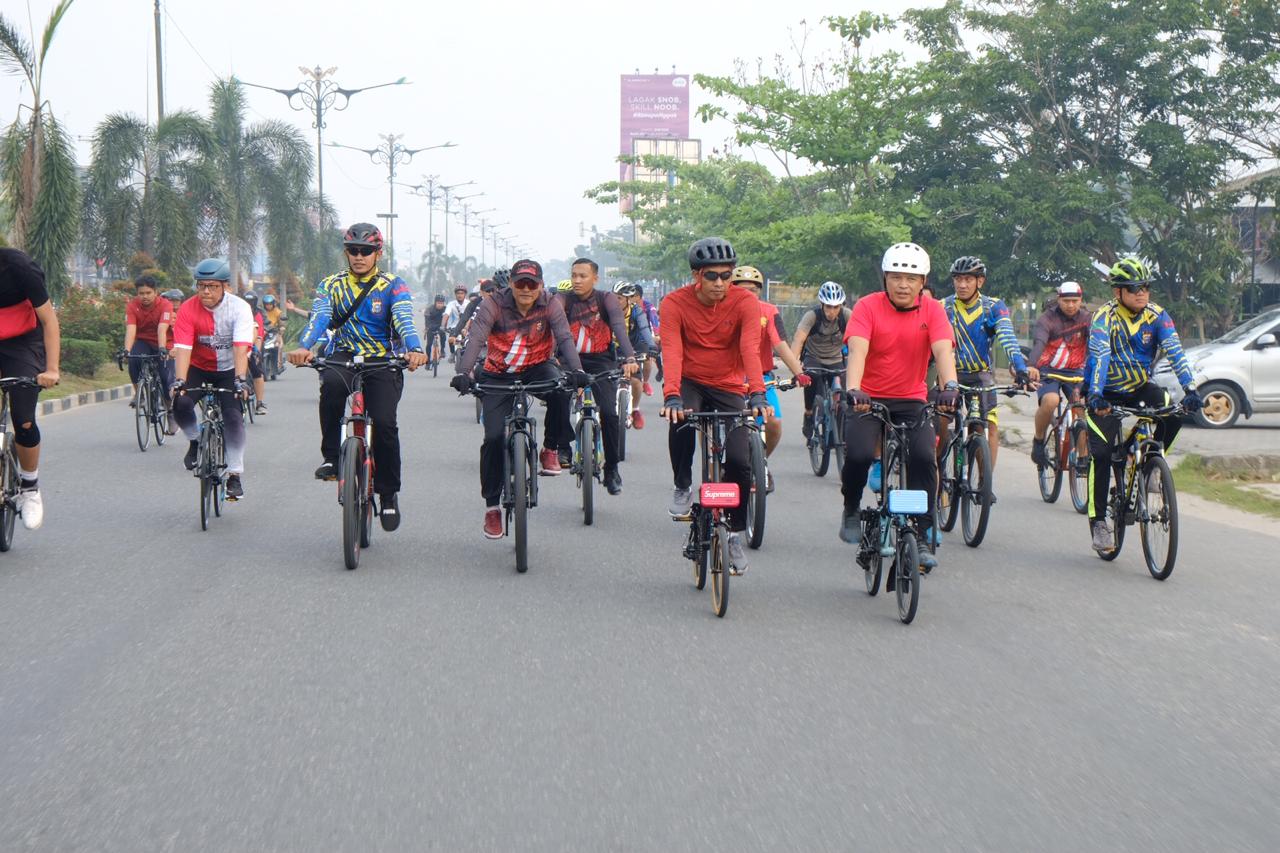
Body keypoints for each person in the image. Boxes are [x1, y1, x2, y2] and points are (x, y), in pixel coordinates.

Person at [287, 222, 427, 531]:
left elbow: (404, 319)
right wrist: (303, 347)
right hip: (344, 355)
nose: (359, 257)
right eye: (353, 251)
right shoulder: (331, 284)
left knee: (386, 424)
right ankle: (333, 459)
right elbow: (320, 317)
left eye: (366, 251)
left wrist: (415, 349)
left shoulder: (393, 284)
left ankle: (388, 495)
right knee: (332, 389)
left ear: (378, 252)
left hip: (383, 359)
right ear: (346, 252)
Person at [839, 243, 959, 573]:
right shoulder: (867, 307)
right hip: (868, 398)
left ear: (923, 282)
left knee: (923, 457)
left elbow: (943, 350)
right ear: (885, 279)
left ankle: (921, 533)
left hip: (912, 401)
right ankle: (850, 505)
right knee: (860, 454)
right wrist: (854, 389)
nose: (903, 284)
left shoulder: (933, 310)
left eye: (911, 278)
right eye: (895, 277)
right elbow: (858, 351)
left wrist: (950, 386)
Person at [449, 259, 586, 538]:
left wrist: (577, 370)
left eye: (532, 284)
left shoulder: (550, 304)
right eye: (520, 283)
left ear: (540, 286)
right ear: (511, 283)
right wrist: (464, 372)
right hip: (498, 374)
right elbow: (476, 338)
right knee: (493, 439)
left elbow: (564, 337)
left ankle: (550, 447)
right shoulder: (494, 304)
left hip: (537, 368)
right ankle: (491, 509)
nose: (526, 289)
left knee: (561, 389)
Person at [660, 237, 768, 575]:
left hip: (728, 385)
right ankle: (682, 482)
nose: (721, 283)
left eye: (727, 275)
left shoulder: (745, 303)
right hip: (690, 382)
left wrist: (758, 394)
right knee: (680, 419)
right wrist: (672, 394)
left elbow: (750, 349)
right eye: (712, 276)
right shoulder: (673, 303)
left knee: (739, 458)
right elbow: (672, 351)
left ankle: (733, 533)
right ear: (696, 275)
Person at [1084, 258, 1201, 553]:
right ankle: (1099, 521)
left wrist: (1190, 388)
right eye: (1134, 288)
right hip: (1105, 392)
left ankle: (1150, 466)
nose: (1141, 293)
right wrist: (1096, 394)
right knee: (1100, 454)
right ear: (1118, 292)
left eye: (1146, 287)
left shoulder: (1157, 316)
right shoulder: (1104, 317)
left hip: (1138, 387)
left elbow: (1175, 350)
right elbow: (1100, 356)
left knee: (1172, 412)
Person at [554, 258, 638, 495]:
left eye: (583, 276)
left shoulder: (606, 299)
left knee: (610, 415)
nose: (577, 280)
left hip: (602, 361)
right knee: (558, 398)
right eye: (574, 275)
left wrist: (630, 357)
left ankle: (611, 468)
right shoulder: (563, 299)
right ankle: (563, 447)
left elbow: (619, 326)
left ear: (595, 278)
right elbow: (554, 325)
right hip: (569, 361)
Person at [939, 255, 1032, 470]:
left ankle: (984, 482)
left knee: (987, 424)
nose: (962, 285)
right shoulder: (942, 307)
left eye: (968, 279)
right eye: (958, 279)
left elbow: (1007, 338)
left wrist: (1020, 368)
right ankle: (938, 472)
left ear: (980, 281)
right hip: (948, 375)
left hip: (981, 374)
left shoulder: (993, 307)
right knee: (940, 422)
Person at [170, 258, 253, 500]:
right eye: (201, 285)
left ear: (225, 286)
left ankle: (235, 474)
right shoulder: (187, 308)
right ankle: (195, 441)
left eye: (213, 286)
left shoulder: (239, 308)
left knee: (232, 415)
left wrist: (240, 379)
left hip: (229, 369)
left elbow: (240, 347)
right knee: (180, 402)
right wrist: (179, 381)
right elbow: (183, 347)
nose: (206, 291)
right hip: (198, 366)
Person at [730, 265, 809, 491]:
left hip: (762, 378)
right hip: (729, 379)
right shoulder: (721, 310)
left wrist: (799, 373)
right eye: (742, 289)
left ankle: (760, 462)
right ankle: (716, 466)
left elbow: (780, 344)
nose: (748, 294)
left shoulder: (769, 311)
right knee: (718, 422)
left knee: (773, 423)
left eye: (753, 290)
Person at [0, 249, 61, 530]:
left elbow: (49, 320)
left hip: (23, 341)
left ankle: (30, 486)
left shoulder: (19, 266)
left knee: (23, 418)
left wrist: (52, 369)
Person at [1029, 281, 1091, 467]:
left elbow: (1097, 345)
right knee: (1051, 401)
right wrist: (1031, 366)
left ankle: (1082, 459)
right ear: (1059, 300)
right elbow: (1039, 343)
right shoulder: (1046, 319)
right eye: (1066, 301)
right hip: (1048, 370)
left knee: (1080, 408)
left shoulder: (1088, 319)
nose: (1070, 305)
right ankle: (1039, 441)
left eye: (1075, 301)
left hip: (1077, 371)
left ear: (1080, 300)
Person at [791, 280, 852, 441]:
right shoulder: (812, 316)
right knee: (812, 377)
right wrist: (795, 367)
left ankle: (839, 425)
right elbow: (798, 340)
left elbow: (858, 340)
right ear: (822, 304)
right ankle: (809, 413)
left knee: (845, 390)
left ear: (841, 306)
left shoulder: (847, 316)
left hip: (836, 358)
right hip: (814, 357)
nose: (832, 311)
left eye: (836, 307)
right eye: (828, 307)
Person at [123, 273, 175, 409]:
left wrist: (162, 348)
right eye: (141, 293)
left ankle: (169, 410)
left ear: (155, 292)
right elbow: (131, 328)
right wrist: (126, 350)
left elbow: (162, 328)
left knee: (165, 378)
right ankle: (139, 394)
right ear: (137, 293)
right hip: (144, 342)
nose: (144, 296)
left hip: (164, 343)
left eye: (148, 293)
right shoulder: (132, 306)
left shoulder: (166, 305)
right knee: (133, 360)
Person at [615, 281, 653, 429]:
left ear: (628, 299)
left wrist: (652, 347)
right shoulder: (607, 312)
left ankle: (635, 410)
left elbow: (644, 329)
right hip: (612, 349)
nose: (615, 301)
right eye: (614, 297)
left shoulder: (637, 312)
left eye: (619, 298)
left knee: (636, 382)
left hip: (633, 348)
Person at [241, 290, 268, 415]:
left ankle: (259, 403)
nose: (249, 304)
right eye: (247, 301)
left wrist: (255, 351)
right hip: (235, 346)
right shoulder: (237, 311)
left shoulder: (258, 314)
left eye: (251, 302)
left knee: (257, 371)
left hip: (252, 345)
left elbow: (258, 336)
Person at [424, 293, 449, 362]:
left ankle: (442, 350)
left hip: (441, 326)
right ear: (435, 302)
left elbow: (448, 319)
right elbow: (427, 320)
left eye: (441, 303)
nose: (440, 305)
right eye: (438, 303)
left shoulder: (446, 309)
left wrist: (447, 327)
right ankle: (428, 359)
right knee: (429, 344)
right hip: (431, 326)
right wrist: (427, 328)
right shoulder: (429, 309)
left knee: (443, 335)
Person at [443, 284, 469, 352]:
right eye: (458, 293)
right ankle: (452, 353)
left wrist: (466, 328)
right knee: (451, 339)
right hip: (454, 327)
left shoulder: (469, 304)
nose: (459, 295)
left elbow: (472, 316)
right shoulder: (451, 304)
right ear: (455, 294)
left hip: (467, 327)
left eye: (462, 293)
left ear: (465, 294)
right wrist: (442, 325)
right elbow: (446, 315)